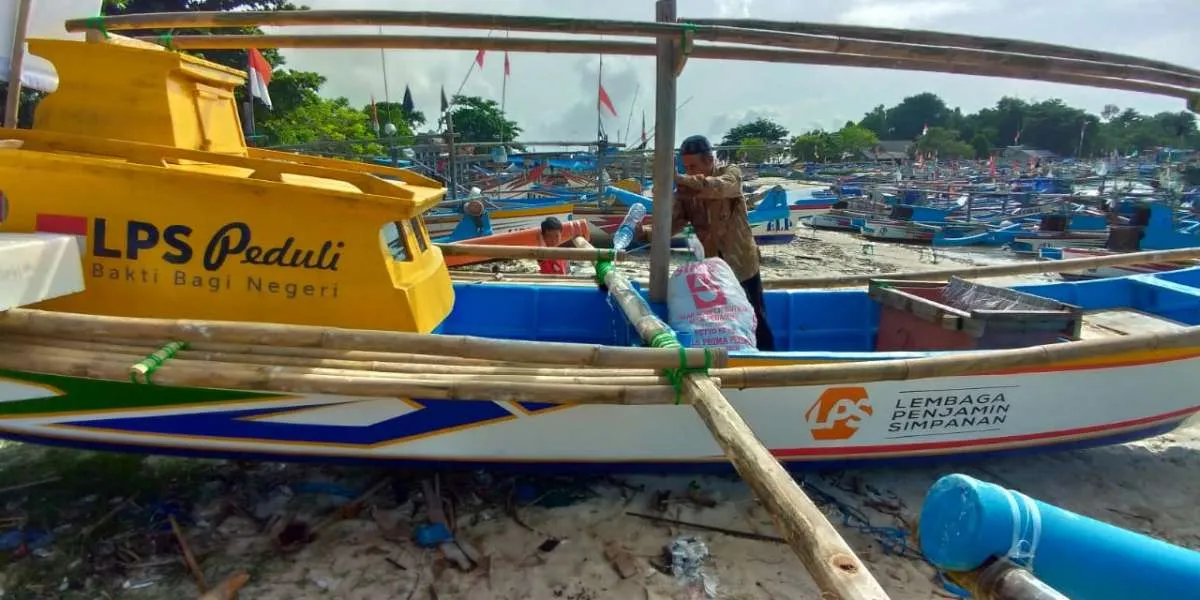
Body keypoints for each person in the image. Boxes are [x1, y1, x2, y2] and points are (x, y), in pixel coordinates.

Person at [638, 134, 776, 351]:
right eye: (686, 167)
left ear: (710, 161)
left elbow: (719, 187)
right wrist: (645, 232)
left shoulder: (729, 174)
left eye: (693, 166)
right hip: (715, 270)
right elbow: (671, 225)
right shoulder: (686, 193)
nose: (689, 171)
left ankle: (767, 363)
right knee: (721, 319)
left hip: (741, 265)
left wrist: (680, 180)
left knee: (755, 318)